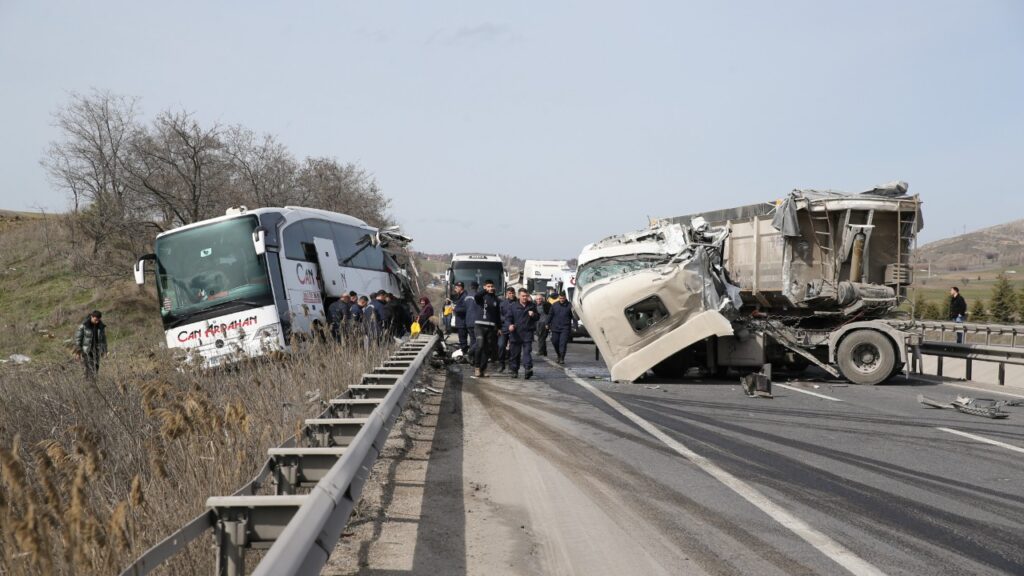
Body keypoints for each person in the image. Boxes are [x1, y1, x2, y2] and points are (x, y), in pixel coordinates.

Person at [472, 279, 502, 377]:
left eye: (492, 286)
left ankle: (482, 369)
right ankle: (476, 367)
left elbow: (497, 315)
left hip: (491, 327)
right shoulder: (481, 297)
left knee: (487, 349)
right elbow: (476, 296)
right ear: (484, 287)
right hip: (479, 326)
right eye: (488, 286)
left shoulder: (496, 300)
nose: (491, 288)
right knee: (480, 345)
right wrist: (485, 291)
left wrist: (499, 328)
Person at [507, 289, 539, 379]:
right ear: (519, 296)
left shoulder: (532, 306)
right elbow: (508, 317)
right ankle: (514, 370)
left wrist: (533, 315)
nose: (525, 298)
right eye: (523, 296)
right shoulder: (513, 306)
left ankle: (528, 369)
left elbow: (537, 317)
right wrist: (510, 325)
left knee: (527, 352)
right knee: (515, 354)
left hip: (527, 332)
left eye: (526, 296)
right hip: (516, 333)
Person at [74, 310, 107, 379]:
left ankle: (94, 384)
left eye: (98, 320)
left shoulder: (101, 327)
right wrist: (77, 352)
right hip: (86, 351)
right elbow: (78, 339)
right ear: (91, 317)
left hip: (96, 351)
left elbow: (103, 340)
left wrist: (104, 351)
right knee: (88, 369)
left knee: (96, 369)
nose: (97, 321)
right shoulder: (84, 326)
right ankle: (88, 385)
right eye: (95, 320)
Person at [548, 292, 577, 364]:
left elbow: (574, 317)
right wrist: (546, 323)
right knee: (555, 341)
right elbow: (550, 315)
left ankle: (562, 357)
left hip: (565, 327)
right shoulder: (555, 305)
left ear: (565, 297)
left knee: (563, 343)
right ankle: (558, 354)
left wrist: (575, 325)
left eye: (563, 298)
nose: (561, 299)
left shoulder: (570, 306)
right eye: (560, 298)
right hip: (555, 327)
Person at [497, 287, 517, 372]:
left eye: (512, 293)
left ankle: (511, 366)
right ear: (507, 294)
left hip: (514, 328)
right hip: (504, 328)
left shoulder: (517, 303)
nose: (511, 295)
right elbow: (498, 316)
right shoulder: (502, 304)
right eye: (509, 293)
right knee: (501, 346)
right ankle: (502, 364)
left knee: (513, 348)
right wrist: (499, 327)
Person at [464, 281, 481, 361]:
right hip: (476, 321)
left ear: (470, 287)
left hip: (468, 321)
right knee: (479, 340)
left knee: (472, 339)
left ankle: (472, 358)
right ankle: (471, 354)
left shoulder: (466, 297)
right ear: (477, 287)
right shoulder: (478, 296)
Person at [452, 281, 469, 351]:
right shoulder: (461, 296)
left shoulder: (464, 296)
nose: (455, 289)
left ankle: (465, 353)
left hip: (463, 322)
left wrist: (455, 308)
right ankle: (464, 351)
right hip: (460, 321)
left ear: (460, 288)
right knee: (462, 339)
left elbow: (465, 308)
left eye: (456, 288)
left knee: (463, 340)